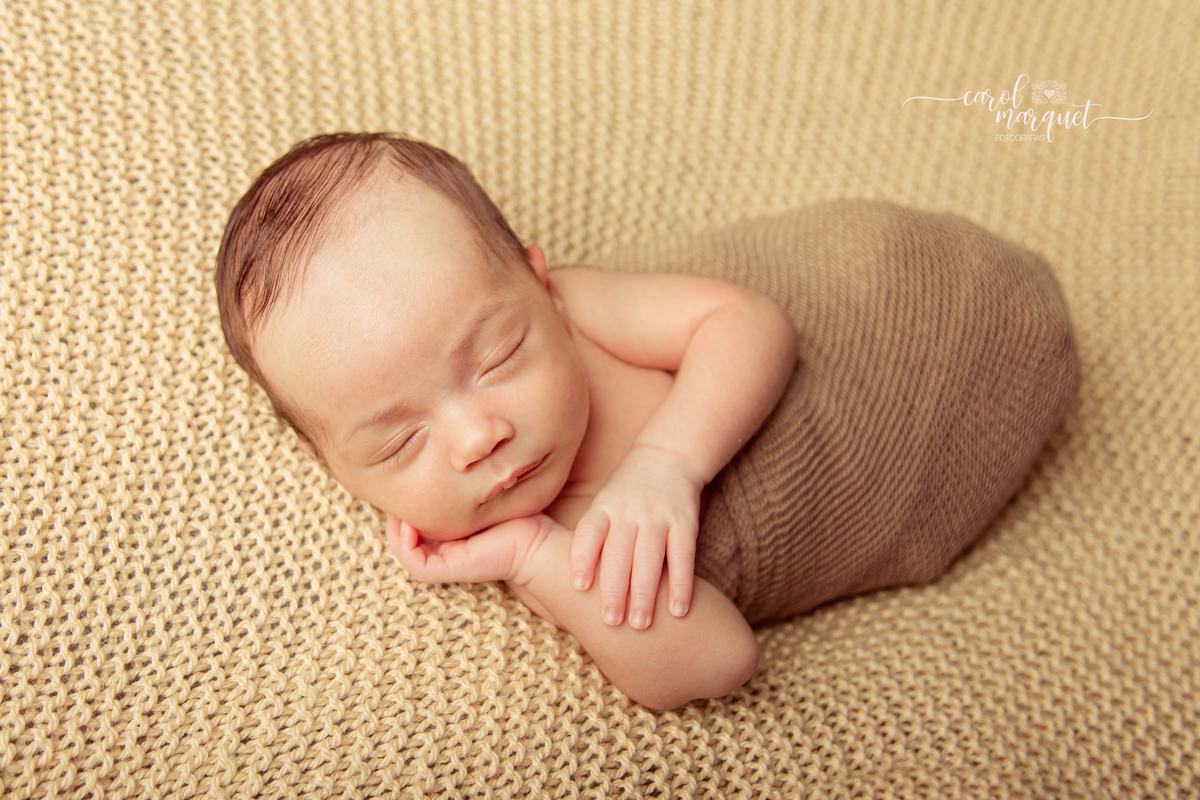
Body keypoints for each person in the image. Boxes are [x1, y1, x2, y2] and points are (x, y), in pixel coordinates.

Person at [216, 132, 795, 710]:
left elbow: (746, 322)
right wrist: (533, 555)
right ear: (328, 464)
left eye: (498, 358)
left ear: (541, 287)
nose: (477, 439)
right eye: (400, 443)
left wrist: (668, 464)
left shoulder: (581, 312)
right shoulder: (525, 544)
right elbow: (719, 659)